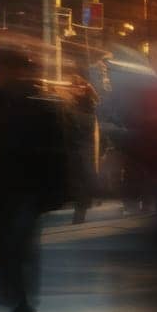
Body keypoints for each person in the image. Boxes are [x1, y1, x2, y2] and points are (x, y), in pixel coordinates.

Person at [0, 47, 72, 312]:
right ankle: (17, 299)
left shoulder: (37, 102)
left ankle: (22, 305)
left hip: (25, 186)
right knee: (10, 244)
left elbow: (57, 151)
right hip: (4, 185)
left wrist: (57, 188)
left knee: (18, 243)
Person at [66, 72, 100, 224]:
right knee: (82, 180)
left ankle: (79, 214)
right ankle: (81, 211)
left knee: (81, 180)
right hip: (83, 149)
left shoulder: (81, 107)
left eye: (73, 87)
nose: (70, 89)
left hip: (80, 149)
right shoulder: (87, 105)